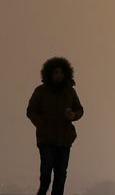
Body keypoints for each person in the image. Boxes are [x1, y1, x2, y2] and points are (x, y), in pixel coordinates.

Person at [26, 57, 84, 195]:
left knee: (60, 176)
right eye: (55, 72)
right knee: (46, 174)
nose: (58, 75)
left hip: (64, 139)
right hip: (46, 139)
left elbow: (80, 109)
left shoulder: (70, 91)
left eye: (61, 72)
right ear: (49, 74)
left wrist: (73, 115)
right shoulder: (41, 91)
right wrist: (41, 124)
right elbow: (31, 111)